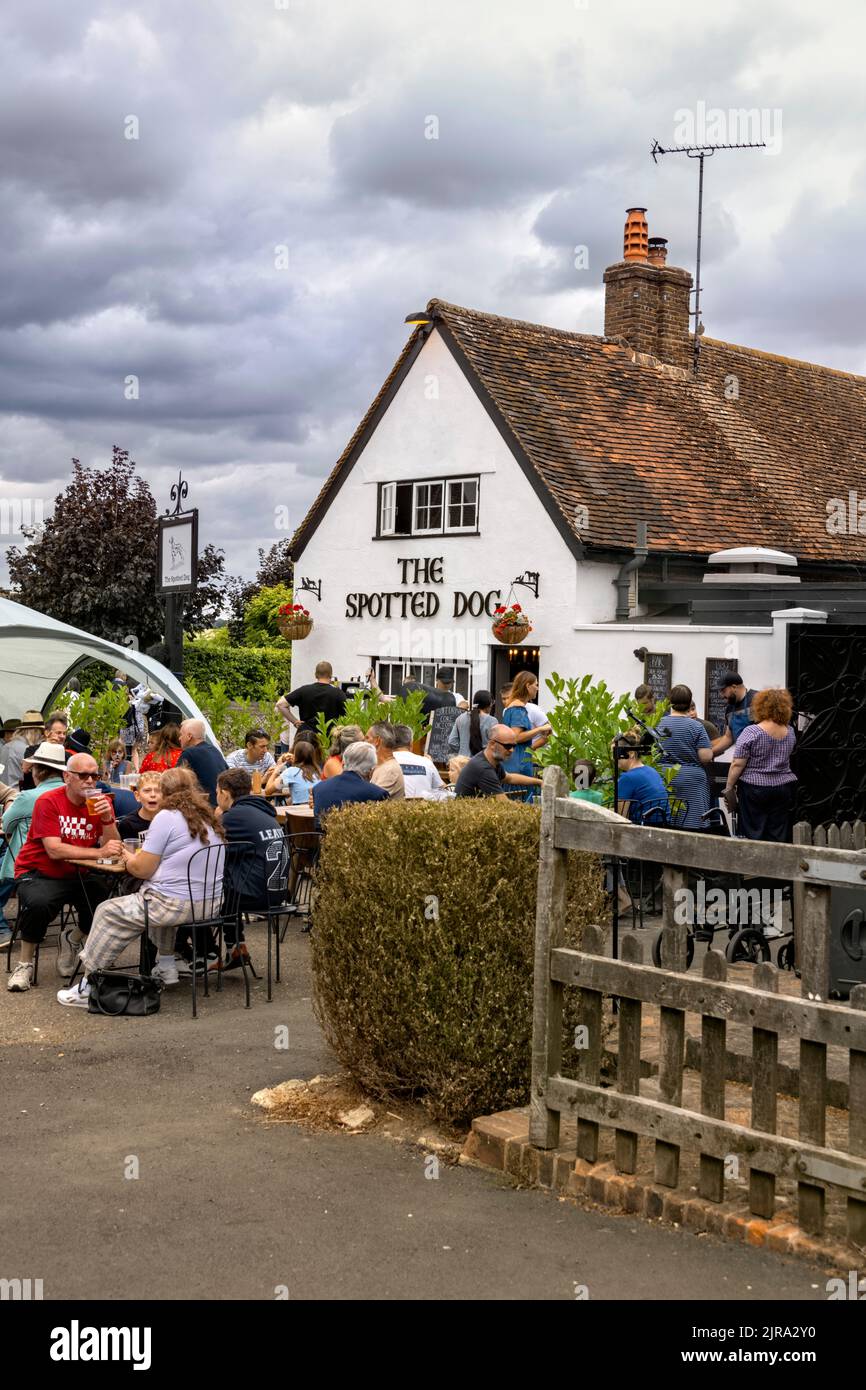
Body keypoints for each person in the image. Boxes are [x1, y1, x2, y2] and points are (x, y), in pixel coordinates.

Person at [57, 767, 226, 1006]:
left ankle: (90, 984)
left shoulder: (166, 817)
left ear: (165, 792)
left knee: (108, 911)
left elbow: (141, 870)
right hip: (210, 904)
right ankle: (167, 967)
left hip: (175, 905)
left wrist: (126, 855)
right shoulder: (208, 816)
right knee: (155, 899)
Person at [6, 752, 122, 993]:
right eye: (83, 775)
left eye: (95, 775)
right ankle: (24, 964)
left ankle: (73, 937)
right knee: (39, 902)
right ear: (67, 777)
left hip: (79, 871)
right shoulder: (49, 801)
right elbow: (54, 850)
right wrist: (97, 852)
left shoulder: (102, 803)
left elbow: (112, 850)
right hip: (39, 870)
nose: (90, 780)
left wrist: (107, 820)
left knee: (105, 901)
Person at [215, 767, 284, 970]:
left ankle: (205, 952)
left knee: (206, 894)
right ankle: (237, 946)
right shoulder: (264, 812)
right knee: (226, 887)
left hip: (258, 894)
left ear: (225, 794)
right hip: (278, 891)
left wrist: (219, 817)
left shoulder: (233, 817)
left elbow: (208, 848)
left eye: (217, 792)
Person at [0, 743, 66, 947]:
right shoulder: (70, 794)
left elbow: (8, 824)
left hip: (29, 864)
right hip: (66, 865)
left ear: (38, 770)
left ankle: (3, 930)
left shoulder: (28, 797)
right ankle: (32, 923)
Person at [723, 687, 797, 843]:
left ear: (761, 706)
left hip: (754, 789)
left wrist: (729, 787)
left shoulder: (752, 732)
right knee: (777, 833)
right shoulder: (789, 731)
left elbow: (737, 764)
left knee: (753, 833)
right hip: (782, 788)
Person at [655, 684, 714, 828]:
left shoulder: (657, 724)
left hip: (664, 778)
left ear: (670, 702)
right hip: (692, 781)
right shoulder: (696, 726)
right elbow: (706, 757)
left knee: (666, 822)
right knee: (693, 824)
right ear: (689, 703)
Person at [454, 725, 542, 799]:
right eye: (507, 746)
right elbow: (505, 804)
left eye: (513, 746)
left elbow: (510, 778)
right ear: (492, 744)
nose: (511, 750)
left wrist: (539, 782)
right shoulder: (483, 769)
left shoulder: (490, 761)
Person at [502, 672, 551, 797]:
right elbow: (516, 737)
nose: (538, 688)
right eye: (536, 685)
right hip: (518, 765)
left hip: (513, 762)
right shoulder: (518, 709)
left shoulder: (511, 708)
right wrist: (540, 729)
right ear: (528, 686)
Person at [312, 741, 388, 822]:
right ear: (371, 770)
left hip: (319, 834)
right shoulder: (378, 794)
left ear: (343, 763)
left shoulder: (318, 789)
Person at [277, 662, 349, 740]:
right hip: (327, 740)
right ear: (331, 675)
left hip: (305, 738)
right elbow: (348, 715)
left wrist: (295, 721)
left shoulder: (304, 690)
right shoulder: (338, 693)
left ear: (315, 675)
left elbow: (280, 704)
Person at [615, 732, 670, 824]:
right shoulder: (652, 771)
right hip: (663, 825)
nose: (614, 758)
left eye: (616, 752)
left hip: (642, 828)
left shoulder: (628, 778)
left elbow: (620, 818)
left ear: (631, 753)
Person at [177, 719, 228, 806]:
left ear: (189, 736)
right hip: (222, 802)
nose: (179, 738)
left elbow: (176, 781)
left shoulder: (189, 753)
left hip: (203, 806)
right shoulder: (214, 750)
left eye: (181, 734)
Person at [393, 725, 448, 799]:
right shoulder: (426, 762)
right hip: (424, 809)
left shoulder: (384, 763)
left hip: (392, 808)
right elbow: (444, 790)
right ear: (411, 744)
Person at [711, 673, 758, 755]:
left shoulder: (758, 700)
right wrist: (710, 753)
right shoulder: (729, 709)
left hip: (759, 759)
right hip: (742, 757)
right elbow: (729, 738)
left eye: (723, 691)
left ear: (734, 687)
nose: (722, 695)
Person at [20, 711, 69, 790]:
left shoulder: (67, 756)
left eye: (64, 733)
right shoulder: (33, 750)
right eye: (58, 733)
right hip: (34, 796)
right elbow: (25, 768)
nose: (62, 736)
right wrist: (47, 746)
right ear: (46, 733)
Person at [265, 739, 322, 805]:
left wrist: (276, 771)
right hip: (316, 810)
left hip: (298, 812)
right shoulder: (318, 772)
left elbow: (268, 791)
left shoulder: (291, 772)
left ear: (296, 756)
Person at [400, 666, 469, 718]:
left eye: (448, 682)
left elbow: (464, 705)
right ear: (437, 680)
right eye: (444, 682)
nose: (446, 685)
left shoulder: (456, 696)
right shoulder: (427, 693)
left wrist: (450, 711)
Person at [116, 772, 163, 842]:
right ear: (137, 796)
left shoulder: (171, 820)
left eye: (158, 791)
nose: (153, 795)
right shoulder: (128, 824)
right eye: (147, 791)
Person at [448, 690, 497, 758]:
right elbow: (495, 744)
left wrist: (463, 750)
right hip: (483, 761)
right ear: (490, 704)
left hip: (462, 762)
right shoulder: (492, 721)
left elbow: (451, 741)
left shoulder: (460, 718)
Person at [3, 712, 44, 788]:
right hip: (15, 795)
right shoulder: (26, 750)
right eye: (41, 732)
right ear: (35, 732)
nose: (42, 736)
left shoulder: (6, 746)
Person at [367, 723, 405, 800]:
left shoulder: (390, 770)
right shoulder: (383, 766)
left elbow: (371, 802)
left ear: (377, 741)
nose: (363, 742)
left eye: (367, 738)